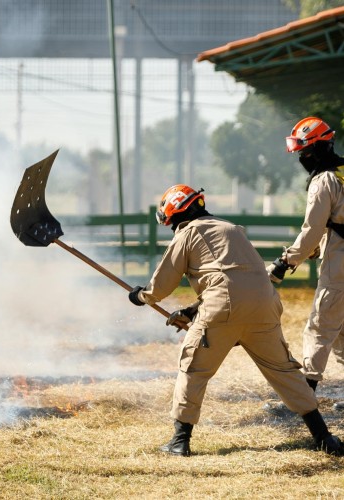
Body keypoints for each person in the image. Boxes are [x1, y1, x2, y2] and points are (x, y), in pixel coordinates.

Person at [128, 184, 343, 457]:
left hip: (222, 308)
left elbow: (163, 284)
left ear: (174, 214)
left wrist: (142, 296)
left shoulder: (188, 232)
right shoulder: (233, 229)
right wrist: (194, 310)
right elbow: (237, 278)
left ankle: (179, 442)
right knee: (286, 372)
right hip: (265, 305)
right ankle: (324, 438)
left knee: (194, 369)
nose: (172, 228)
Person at [267, 117, 344, 399]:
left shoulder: (324, 180)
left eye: (305, 151)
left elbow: (312, 230)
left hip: (340, 268)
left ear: (318, 149)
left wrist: (285, 262)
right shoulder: (343, 172)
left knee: (319, 328)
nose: (302, 157)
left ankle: (303, 399)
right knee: (342, 331)